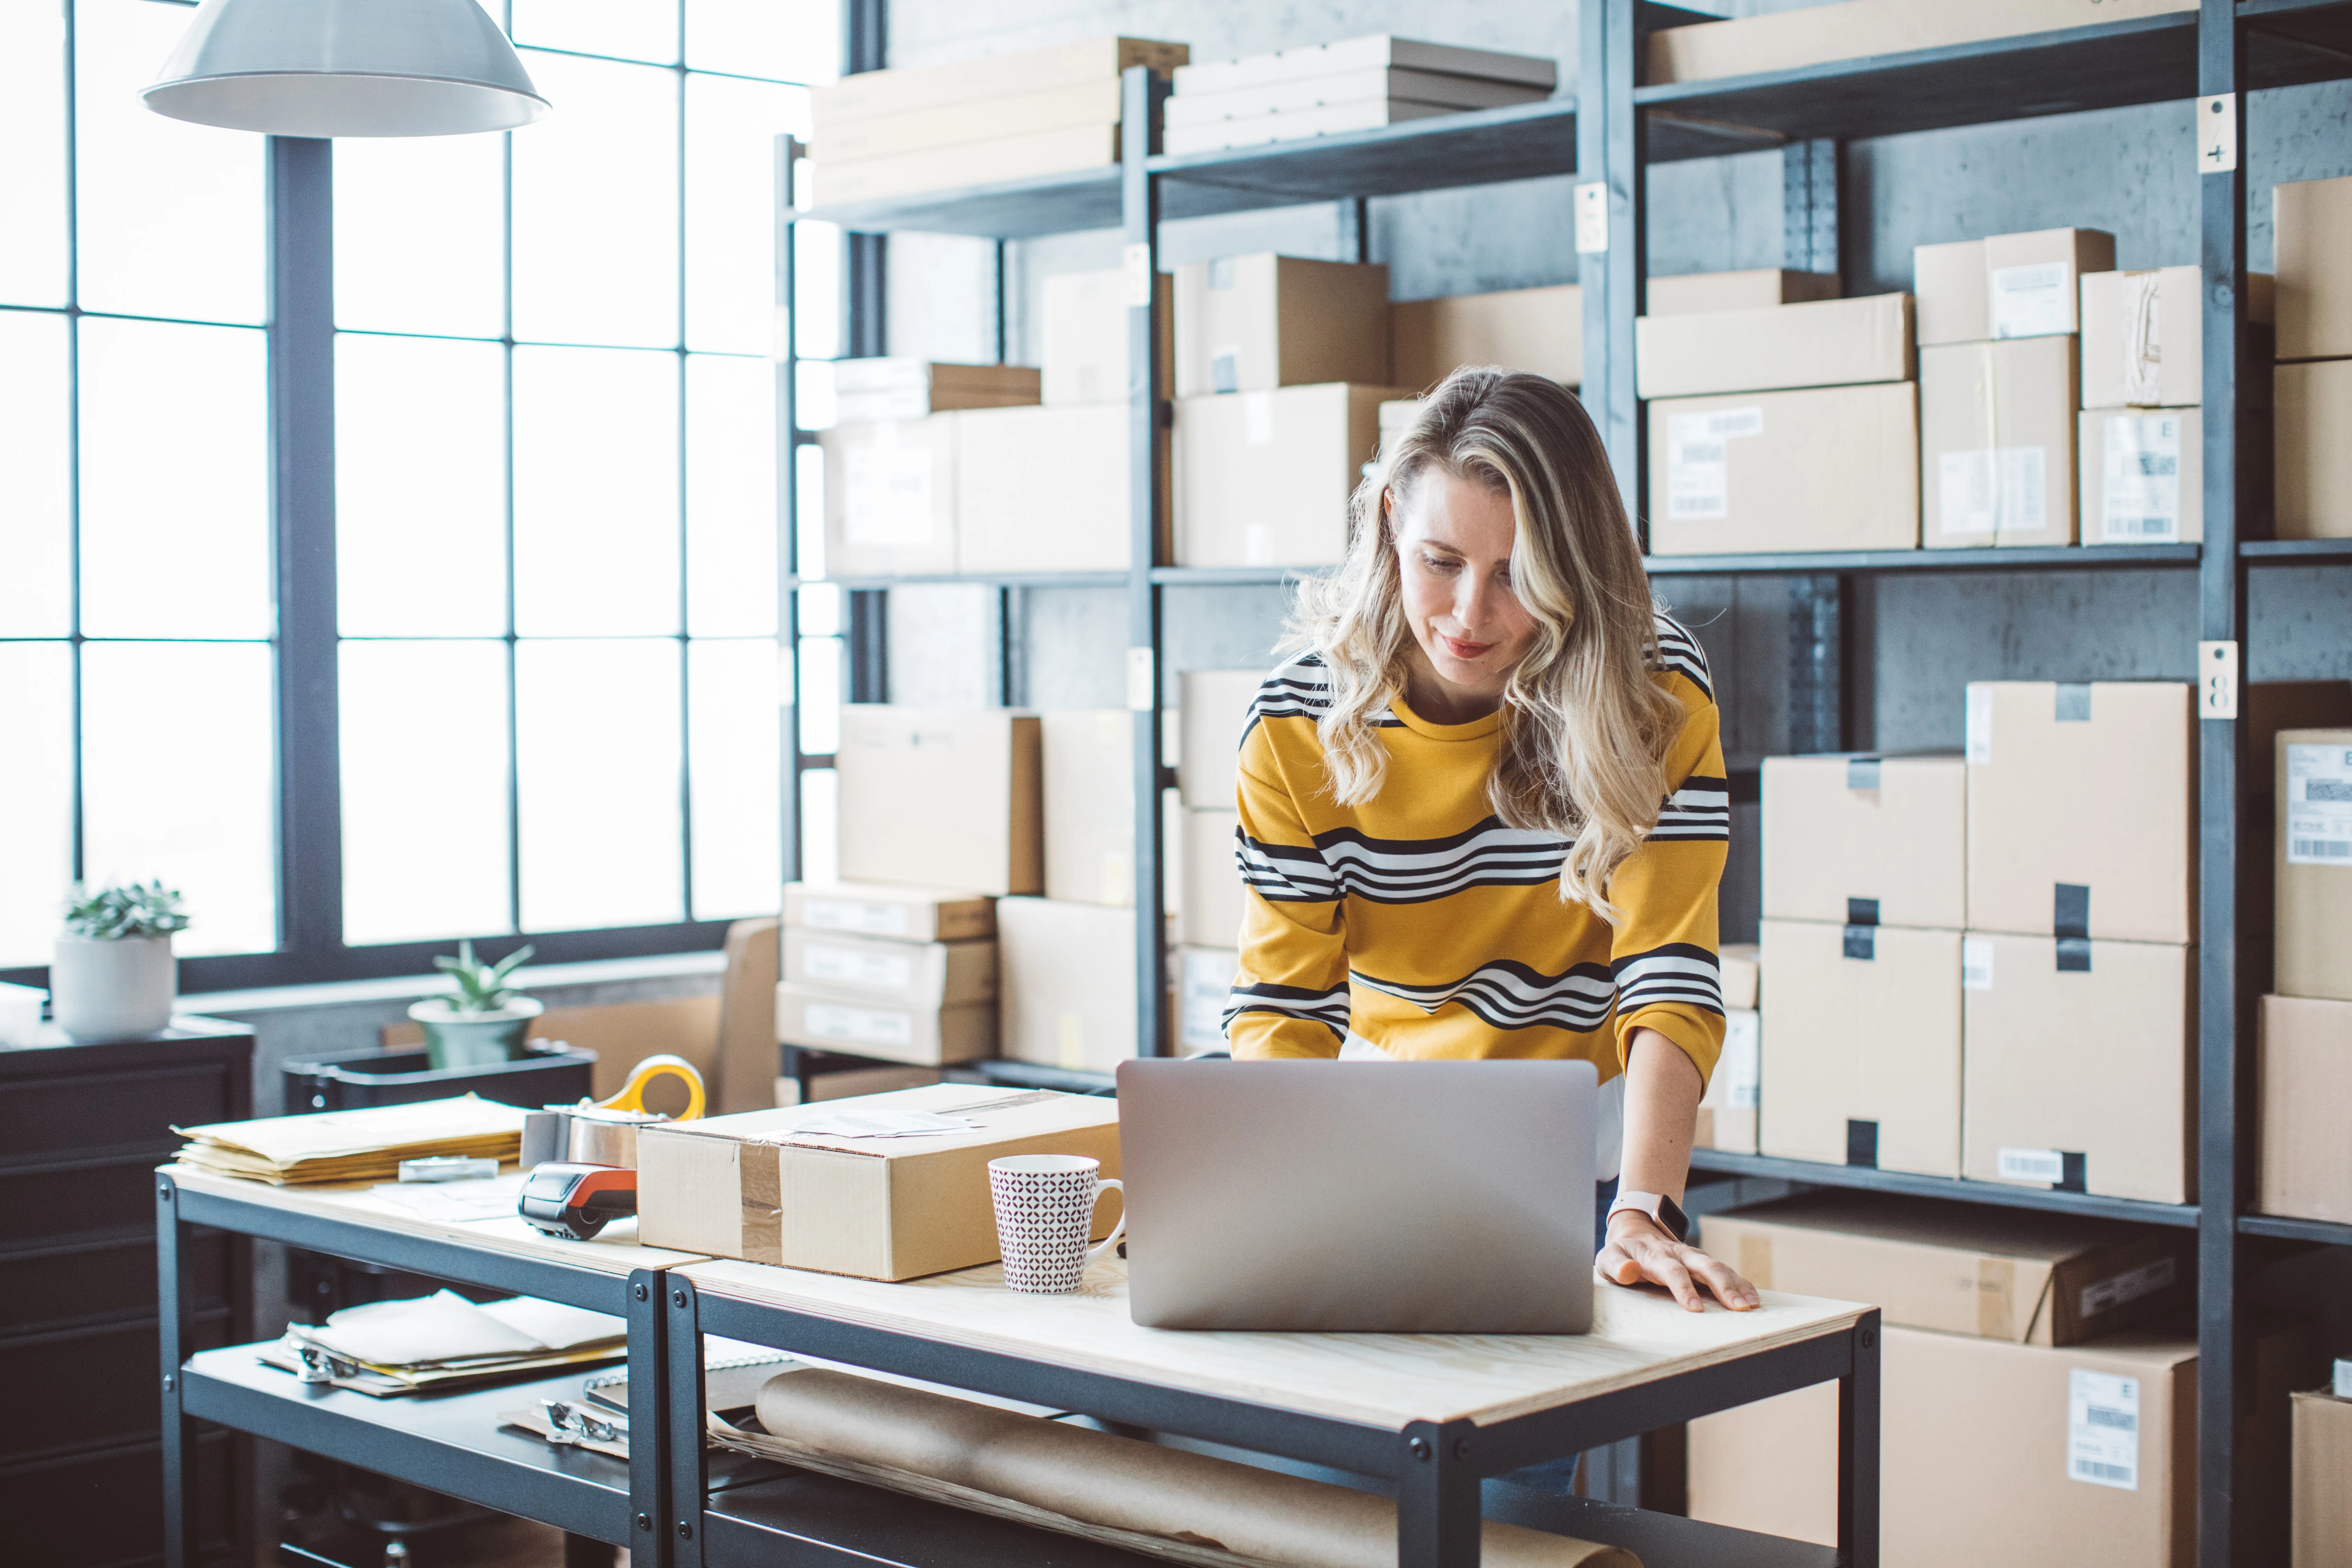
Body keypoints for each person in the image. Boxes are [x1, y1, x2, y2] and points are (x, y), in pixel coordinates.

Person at [1222, 366, 1758, 1314]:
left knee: (1511, 1452)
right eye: (1441, 560)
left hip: (1590, 1157)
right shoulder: (1295, 723)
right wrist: (1263, 1181)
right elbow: (1283, 1007)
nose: (1470, 617)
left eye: (1518, 575)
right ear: (1389, 519)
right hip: (1377, 1128)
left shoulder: (1654, 694)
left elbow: (1671, 971)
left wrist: (1643, 1209)